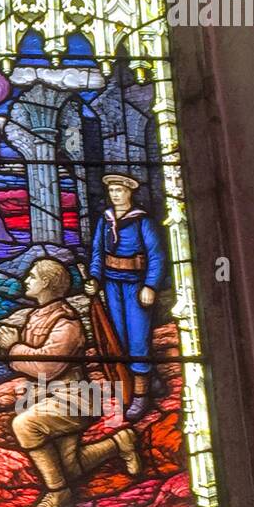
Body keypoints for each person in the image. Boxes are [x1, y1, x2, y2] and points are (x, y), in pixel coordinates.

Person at [0, 258, 139, 507]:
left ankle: (58, 494)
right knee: (69, 468)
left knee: (24, 425)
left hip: (75, 398)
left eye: (32, 276)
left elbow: (48, 365)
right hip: (48, 397)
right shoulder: (38, 315)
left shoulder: (66, 322)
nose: (26, 280)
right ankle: (119, 442)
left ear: (47, 283)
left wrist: (13, 347)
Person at [86, 174, 168, 420]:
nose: (115, 194)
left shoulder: (143, 222)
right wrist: (94, 278)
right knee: (120, 337)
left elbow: (156, 256)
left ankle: (141, 396)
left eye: (119, 190)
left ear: (129, 192)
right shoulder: (105, 220)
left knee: (138, 336)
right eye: (111, 190)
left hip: (135, 285)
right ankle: (149, 380)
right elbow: (97, 252)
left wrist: (151, 286)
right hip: (112, 284)